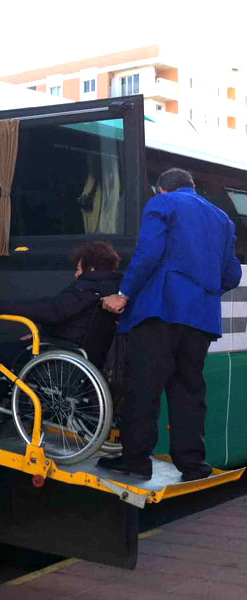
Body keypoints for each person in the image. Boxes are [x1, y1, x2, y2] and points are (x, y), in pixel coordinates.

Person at [98, 168, 242, 481]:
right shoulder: (223, 220)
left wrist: (124, 294)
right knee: (189, 391)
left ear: (162, 189)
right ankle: (193, 465)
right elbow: (232, 276)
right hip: (201, 320)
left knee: (143, 387)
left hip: (160, 312)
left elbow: (148, 251)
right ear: (191, 186)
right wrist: (202, 292)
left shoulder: (163, 204)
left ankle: (135, 460)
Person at [0, 241, 123, 426]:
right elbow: (77, 324)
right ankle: (11, 405)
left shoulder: (85, 290)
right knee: (20, 348)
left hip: (64, 357)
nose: (76, 273)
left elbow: (51, 311)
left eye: (79, 268)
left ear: (92, 268)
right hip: (84, 355)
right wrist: (40, 334)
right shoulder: (113, 293)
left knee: (4, 352)